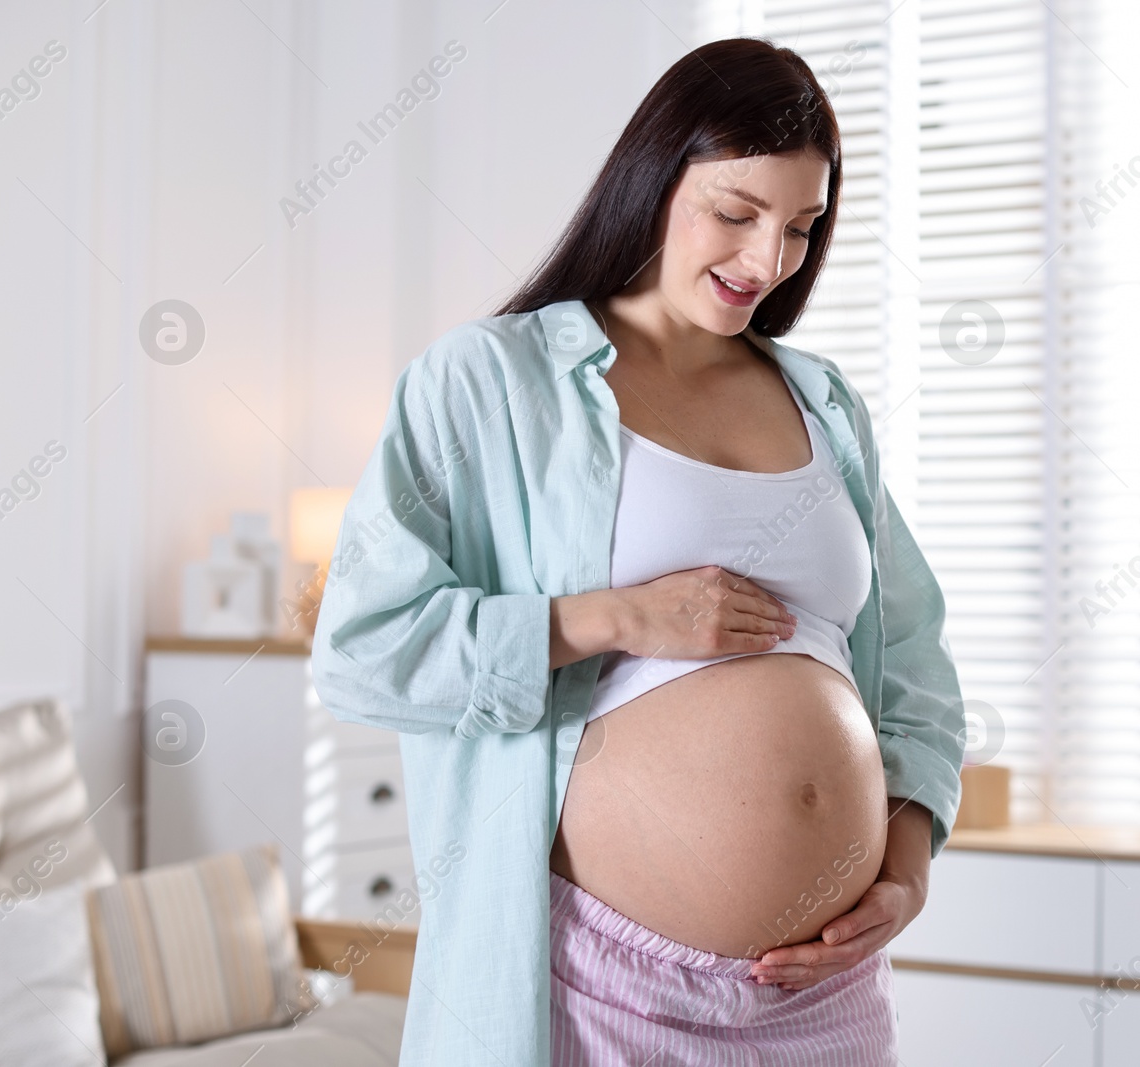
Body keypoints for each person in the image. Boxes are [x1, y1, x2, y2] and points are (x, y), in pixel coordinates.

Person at [311, 35, 965, 1067]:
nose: (767, 261)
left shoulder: (821, 402)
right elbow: (362, 645)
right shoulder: (492, 383)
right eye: (736, 213)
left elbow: (916, 664)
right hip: (600, 982)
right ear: (656, 178)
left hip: (822, 990)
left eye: (800, 227)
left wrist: (907, 865)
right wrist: (617, 617)